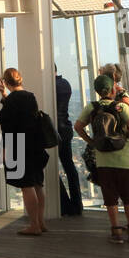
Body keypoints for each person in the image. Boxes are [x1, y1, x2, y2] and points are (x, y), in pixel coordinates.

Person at [76, 74, 129, 243]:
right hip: (124, 159)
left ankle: (116, 232)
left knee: (110, 197)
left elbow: (78, 126)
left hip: (103, 159)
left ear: (97, 91)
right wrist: (128, 137)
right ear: (113, 89)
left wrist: (91, 141)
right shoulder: (121, 107)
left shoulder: (91, 107)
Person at [0, 68, 48, 235]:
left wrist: (4, 150)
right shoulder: (30, 96)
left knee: (26, 185)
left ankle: (34, 225)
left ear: (6, 81)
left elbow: (4, 120)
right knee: (38, 184)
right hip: (35, 145)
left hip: (19, 146)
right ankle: (40, 221)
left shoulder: (12, 100)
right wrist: (5, 94)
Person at [53, 65, 83, 216]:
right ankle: (77, 205)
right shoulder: (65, 84)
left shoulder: (52, 87)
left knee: (50, 167)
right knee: (69, 165)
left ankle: (64, 205)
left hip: (54, 130)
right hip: (66, 128)